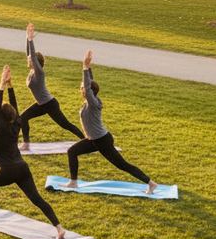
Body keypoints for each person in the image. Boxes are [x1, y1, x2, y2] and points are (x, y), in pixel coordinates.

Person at [0, 65, 66, 239]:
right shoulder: (16, 123)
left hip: (7, 170)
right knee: (37, 199)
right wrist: (10, 85)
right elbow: (14, 107)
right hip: (22, 168)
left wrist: (2, 83)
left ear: (0, 117)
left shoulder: (0, 127)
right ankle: (59, 228)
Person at [65, 50, 159, 193]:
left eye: (82, 87)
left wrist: (84, 67)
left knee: (122, 165)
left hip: (102, 141)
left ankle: (151, 183)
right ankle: (73, 182)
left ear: (88, 91)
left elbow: (88, 86)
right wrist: (88, 67)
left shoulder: (93, 103)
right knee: (72, 151)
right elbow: (90, 83)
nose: (80, 88)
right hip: (93, 140)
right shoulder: (90, 101)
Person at [19, 23, 83, 149]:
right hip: (41, 104)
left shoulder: (39, 73)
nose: (28, 59)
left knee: (65, 125)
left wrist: (31, 40)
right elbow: (29, 54)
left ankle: (87, 140)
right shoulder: (32, 70)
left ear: (36, 63)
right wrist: (27, 37)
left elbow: (32, 55)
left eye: (31, 59)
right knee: (23, 118)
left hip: (49, 104)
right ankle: (26, 144)